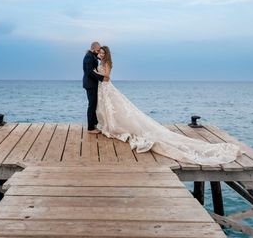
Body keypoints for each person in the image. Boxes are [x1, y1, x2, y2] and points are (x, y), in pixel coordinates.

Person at [95, 46, 241, 165]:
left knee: (115, 108)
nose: (101, 54)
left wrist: (96, 73)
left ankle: (113, 127)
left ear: (106, 54)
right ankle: (110, 125)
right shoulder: (100, 63)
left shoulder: (106, 64)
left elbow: (107, 76)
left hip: (107, 87)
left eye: (102, 53)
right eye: (99, 53)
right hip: (104, 88)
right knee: (110, 109)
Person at [82, 41, 104, 134]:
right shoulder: (88, 57)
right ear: (93, 48)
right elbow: (89, 72)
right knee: (91, 106)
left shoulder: (93, 55)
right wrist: (102, 78)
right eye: (98, 50)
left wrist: (101, 57)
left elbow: (97, 60)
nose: (99, 52)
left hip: (93, 84)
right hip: (90, 84)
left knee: (94, 105)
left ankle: (94, 124)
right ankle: (90, 128)